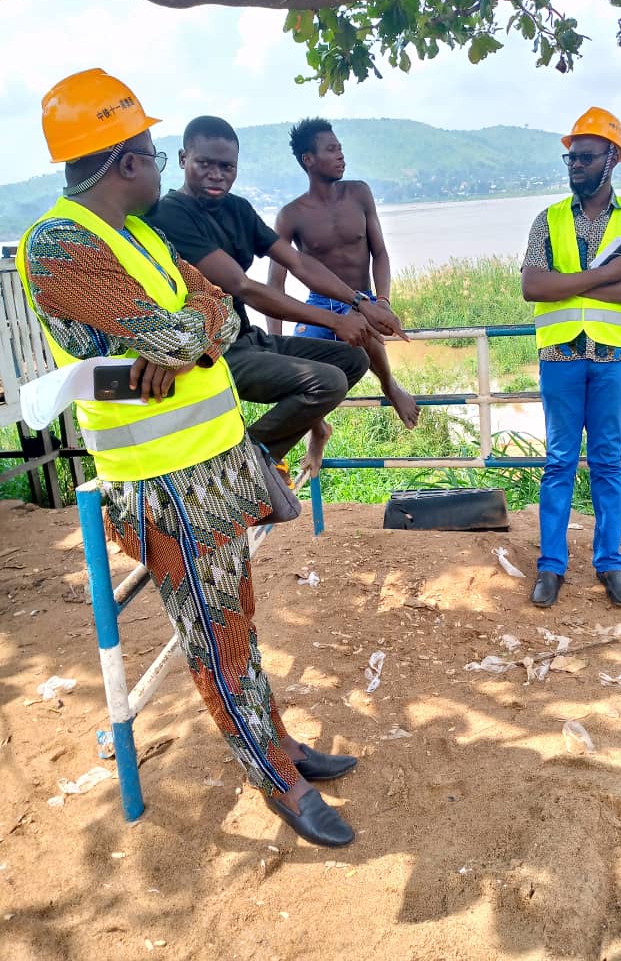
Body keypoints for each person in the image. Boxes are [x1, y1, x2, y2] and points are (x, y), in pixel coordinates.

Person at [16, 69, 357, 848]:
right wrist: (185, 332)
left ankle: (279, 741)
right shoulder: (60, 246)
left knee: (238, 621)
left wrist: (189, 328)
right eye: (154, 155)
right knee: (216, 635)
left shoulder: (140, 235)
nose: (164, 169)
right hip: (161, 485)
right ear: (125, 160)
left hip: (211, 467)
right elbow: (178, 335)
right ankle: (278, 778)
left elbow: (217, 316)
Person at [147, 116, 408, 476]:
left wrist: (363, 303)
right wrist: (335, 320)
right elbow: (243, 286)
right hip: (211, 352)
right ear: (182, 159)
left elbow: (298, 261)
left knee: (353, 362)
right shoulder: (172, 213)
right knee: (326, 382)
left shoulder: (237, 208)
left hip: (246, 338)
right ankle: (237, 471)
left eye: (227, 167)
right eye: (204, 164)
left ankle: (255, 458)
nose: (216, 175)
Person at [521, 107, 621, 609]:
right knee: (559, 461)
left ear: (612, 159)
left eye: (584, 157)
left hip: (615, 357)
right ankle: (551, 568)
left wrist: (571, 289)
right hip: (560, 355)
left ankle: (610, 564)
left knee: (606, 462)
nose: (574, 165)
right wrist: (606, 278)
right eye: (570, 158)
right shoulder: (549, 219)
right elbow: (532, 285)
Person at [266, 118, 420, 429]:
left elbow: (380, 253)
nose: (341, 156)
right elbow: (275, 285)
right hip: (320, 305)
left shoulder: (359, 193)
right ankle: (318, 430)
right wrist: (275, 345)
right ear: (308, 160)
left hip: (365, 298)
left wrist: (384, 301)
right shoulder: (291, 215)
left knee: (365, 323)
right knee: (300, 379)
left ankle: (389, 384)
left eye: (341, 149)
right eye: (331, 150)